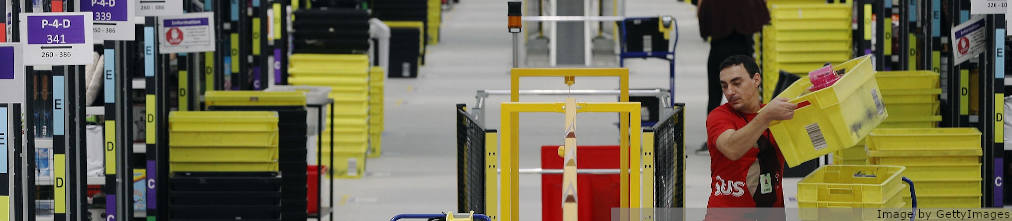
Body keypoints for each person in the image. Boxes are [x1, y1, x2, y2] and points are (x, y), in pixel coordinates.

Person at [704, 55, 794, 219]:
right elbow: (732, 148)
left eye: (737, 83)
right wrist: (765, 117)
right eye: (724, 86)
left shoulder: (775, 113)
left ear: (756, 79)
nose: (729, 92)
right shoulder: (719, 117)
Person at [695, 0, 771, 154]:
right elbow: (761, 16)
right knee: (749, 93)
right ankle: (755, 137)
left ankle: (713, 138)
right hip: (743, 48)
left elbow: (703, 21)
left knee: (715, 94)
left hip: (719, 47)